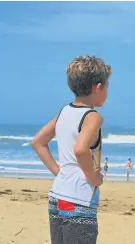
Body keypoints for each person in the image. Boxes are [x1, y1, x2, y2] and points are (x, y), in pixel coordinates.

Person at [31, 55, 111, 244]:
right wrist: (93, 177)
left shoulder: (65, 111)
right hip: (79, 201)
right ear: (97, 87)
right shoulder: (93, 117)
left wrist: (60, 173)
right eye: (107, 86)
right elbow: (81, 150)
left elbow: (38, 142)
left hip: (57, 198)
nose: (108, 91)